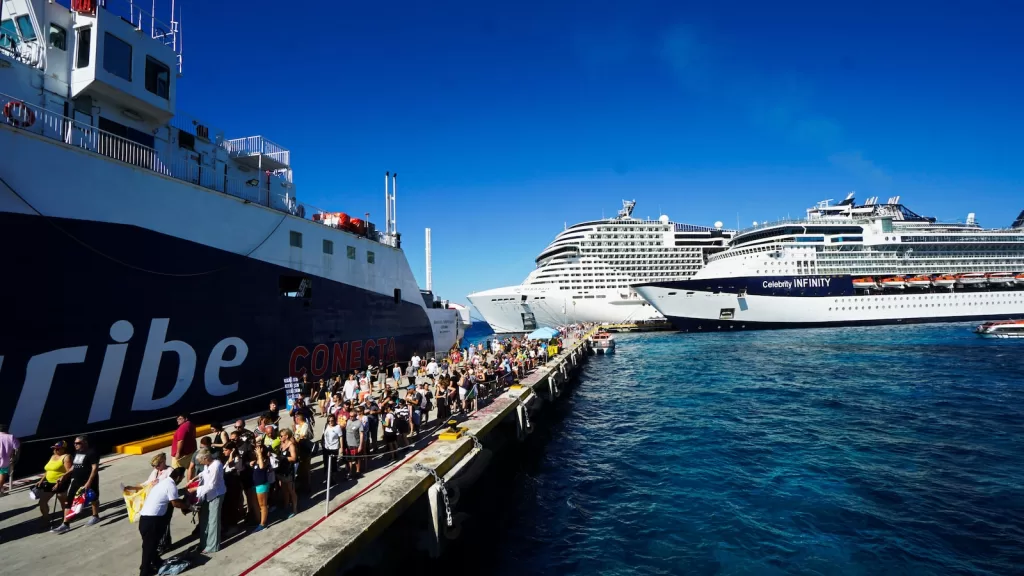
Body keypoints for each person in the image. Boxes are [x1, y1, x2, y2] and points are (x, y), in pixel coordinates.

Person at [138, 466, 190, 576]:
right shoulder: (171, 486)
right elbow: (175, 503)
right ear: (178, 477)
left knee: (151, 544)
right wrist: (188, 507)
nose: (181, 480)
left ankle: (156, 561)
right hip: (152, 520)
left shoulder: (163, 482)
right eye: (182, 478)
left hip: (145, 519)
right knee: (149, 546)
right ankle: (144, 571)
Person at [53, 435, 100, 533]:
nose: (75, 445)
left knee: (93, 498)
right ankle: (65, 524)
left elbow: (94, 468)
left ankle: (95, 516)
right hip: (76, 480)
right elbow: (73, 467)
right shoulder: (77, 453)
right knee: (69, 500)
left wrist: (88, 482)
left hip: (89, 480)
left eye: (78, 443)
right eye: (74, 443)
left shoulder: (91, 452)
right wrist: (64, 475)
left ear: (85, 443)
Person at [188, 448, 226, 554]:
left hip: (216, 494)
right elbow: (204, 473)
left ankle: (213, 545)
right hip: (207, 495)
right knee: (204, 519)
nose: (199, 463)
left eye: (200, 461)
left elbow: (211, 485)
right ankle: (204, 542)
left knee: (213, 520)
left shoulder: (216, 465)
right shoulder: (207, 465)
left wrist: (194, 489)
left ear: (205, 458)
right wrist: (194, 479)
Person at [34, 440, 72, 528]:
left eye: (58, 449)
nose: (56, 450)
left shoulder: (66, 457)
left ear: (63, 449)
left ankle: (66, 519)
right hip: (49, 483)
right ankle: (46, 519)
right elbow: (48, 470)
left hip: (61, 482)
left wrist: (61, 481)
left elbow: (69, 472)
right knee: (42, 502)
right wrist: (41, 480)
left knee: (63, 502)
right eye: (55, 448)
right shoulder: (53, 456)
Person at [276, 429, 299, 518]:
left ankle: (295, 509)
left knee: (291, 490)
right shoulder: (282, 444)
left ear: (287, 436)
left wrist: (283, 458)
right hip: (282, 469)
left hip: (289, 470)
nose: (280, 437)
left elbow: (294, 458)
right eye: (280, 436)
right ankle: (286, 505)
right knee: (284, 489)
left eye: (281, 436)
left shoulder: (291, 445)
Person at [250, 445, 272, 531]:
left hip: (261, 485)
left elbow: (261, 466)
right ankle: (258, 520)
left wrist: (259, 455)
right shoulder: (256, 460)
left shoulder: (265, 459)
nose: (255, 451)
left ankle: (263, 523)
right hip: (255, 484)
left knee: (262, 505)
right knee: (255, 503)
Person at [321, 414, 342, 484]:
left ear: (334, 420)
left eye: (332, 420)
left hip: (334, 448)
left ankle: (333, 478)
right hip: (326, 448)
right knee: (326, 464)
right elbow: (323, 435)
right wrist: (323, 444)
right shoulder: (326, 426)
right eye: (329, 421)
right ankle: (326, 478)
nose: (330, 422)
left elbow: (341, 437)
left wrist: (341, 447)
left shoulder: (337, 427)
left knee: (333, 464)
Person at [0, 423, 19, 496]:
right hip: (4, 461)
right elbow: (17, 447)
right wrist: (15, 457)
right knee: (2, 476)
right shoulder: (11, 437)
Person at [344, 410, 364, 478]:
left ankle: (358, 471)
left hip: (355, 444)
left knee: (357, 459)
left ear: (355, 416)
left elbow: (361, 434)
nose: (351, 417)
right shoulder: (348, 421)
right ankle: (350, 472)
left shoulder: (359, 423)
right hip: (348, 443)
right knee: (349, 459)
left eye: (352, 416)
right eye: (350, 416)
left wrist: (360, 445)